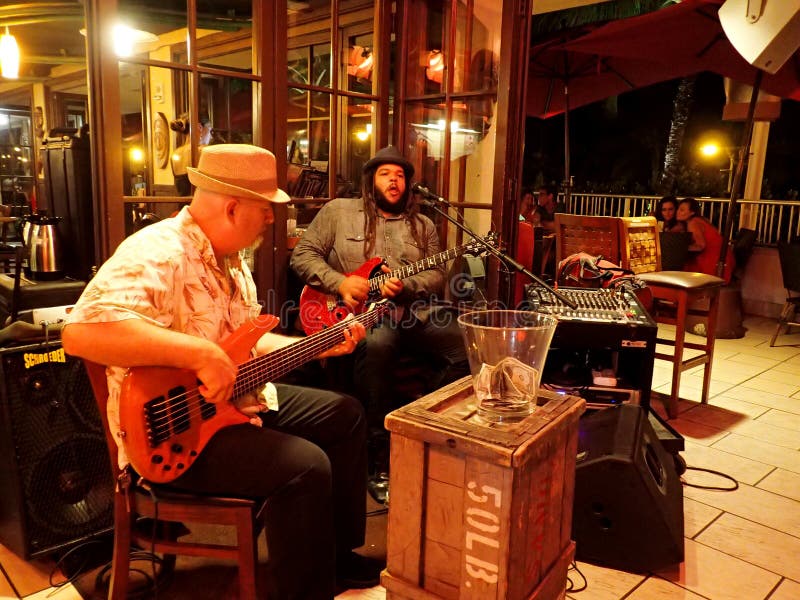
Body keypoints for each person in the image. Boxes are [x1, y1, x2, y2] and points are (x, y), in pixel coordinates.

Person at [61, 144, 380, 599]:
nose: (273, 220)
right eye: (266, 209)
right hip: (173, 432)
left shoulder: (232, 260)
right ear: (232, 208)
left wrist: (319, 346)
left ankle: (336, 558)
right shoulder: (157, 252)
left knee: (345, 414)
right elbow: (81, 333)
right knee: (305, 467)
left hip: (232, 401)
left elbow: (245, 344)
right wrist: (197, 354)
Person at [290, 145, 469, 504]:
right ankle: (378, 455)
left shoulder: (424, 225)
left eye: (400, 175)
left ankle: (418, 423)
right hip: (361, 315)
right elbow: (302, 255)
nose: (394, 181)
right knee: (379, 346)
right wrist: (339, 282)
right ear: (371, 180)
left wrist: (409, 286)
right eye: (386, 174)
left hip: (412, 312)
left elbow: (436, 274)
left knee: (466, 347)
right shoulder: (339, 213)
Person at [677, 197, 735, 283]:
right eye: (678, 209)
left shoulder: (693, 222)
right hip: (724, 259)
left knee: (682, 268)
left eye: (682, 210)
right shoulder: (701, 220)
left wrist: (678, 248)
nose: (678, 212)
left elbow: (700, 246)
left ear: (692, 212)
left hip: (714, 262)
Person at [171, 115, 214, 196]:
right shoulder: (204, 151)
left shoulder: (174, 154)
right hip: (200, 206)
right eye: (210, 131)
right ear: (199, 127)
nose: (211, 137)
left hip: (183, 207)